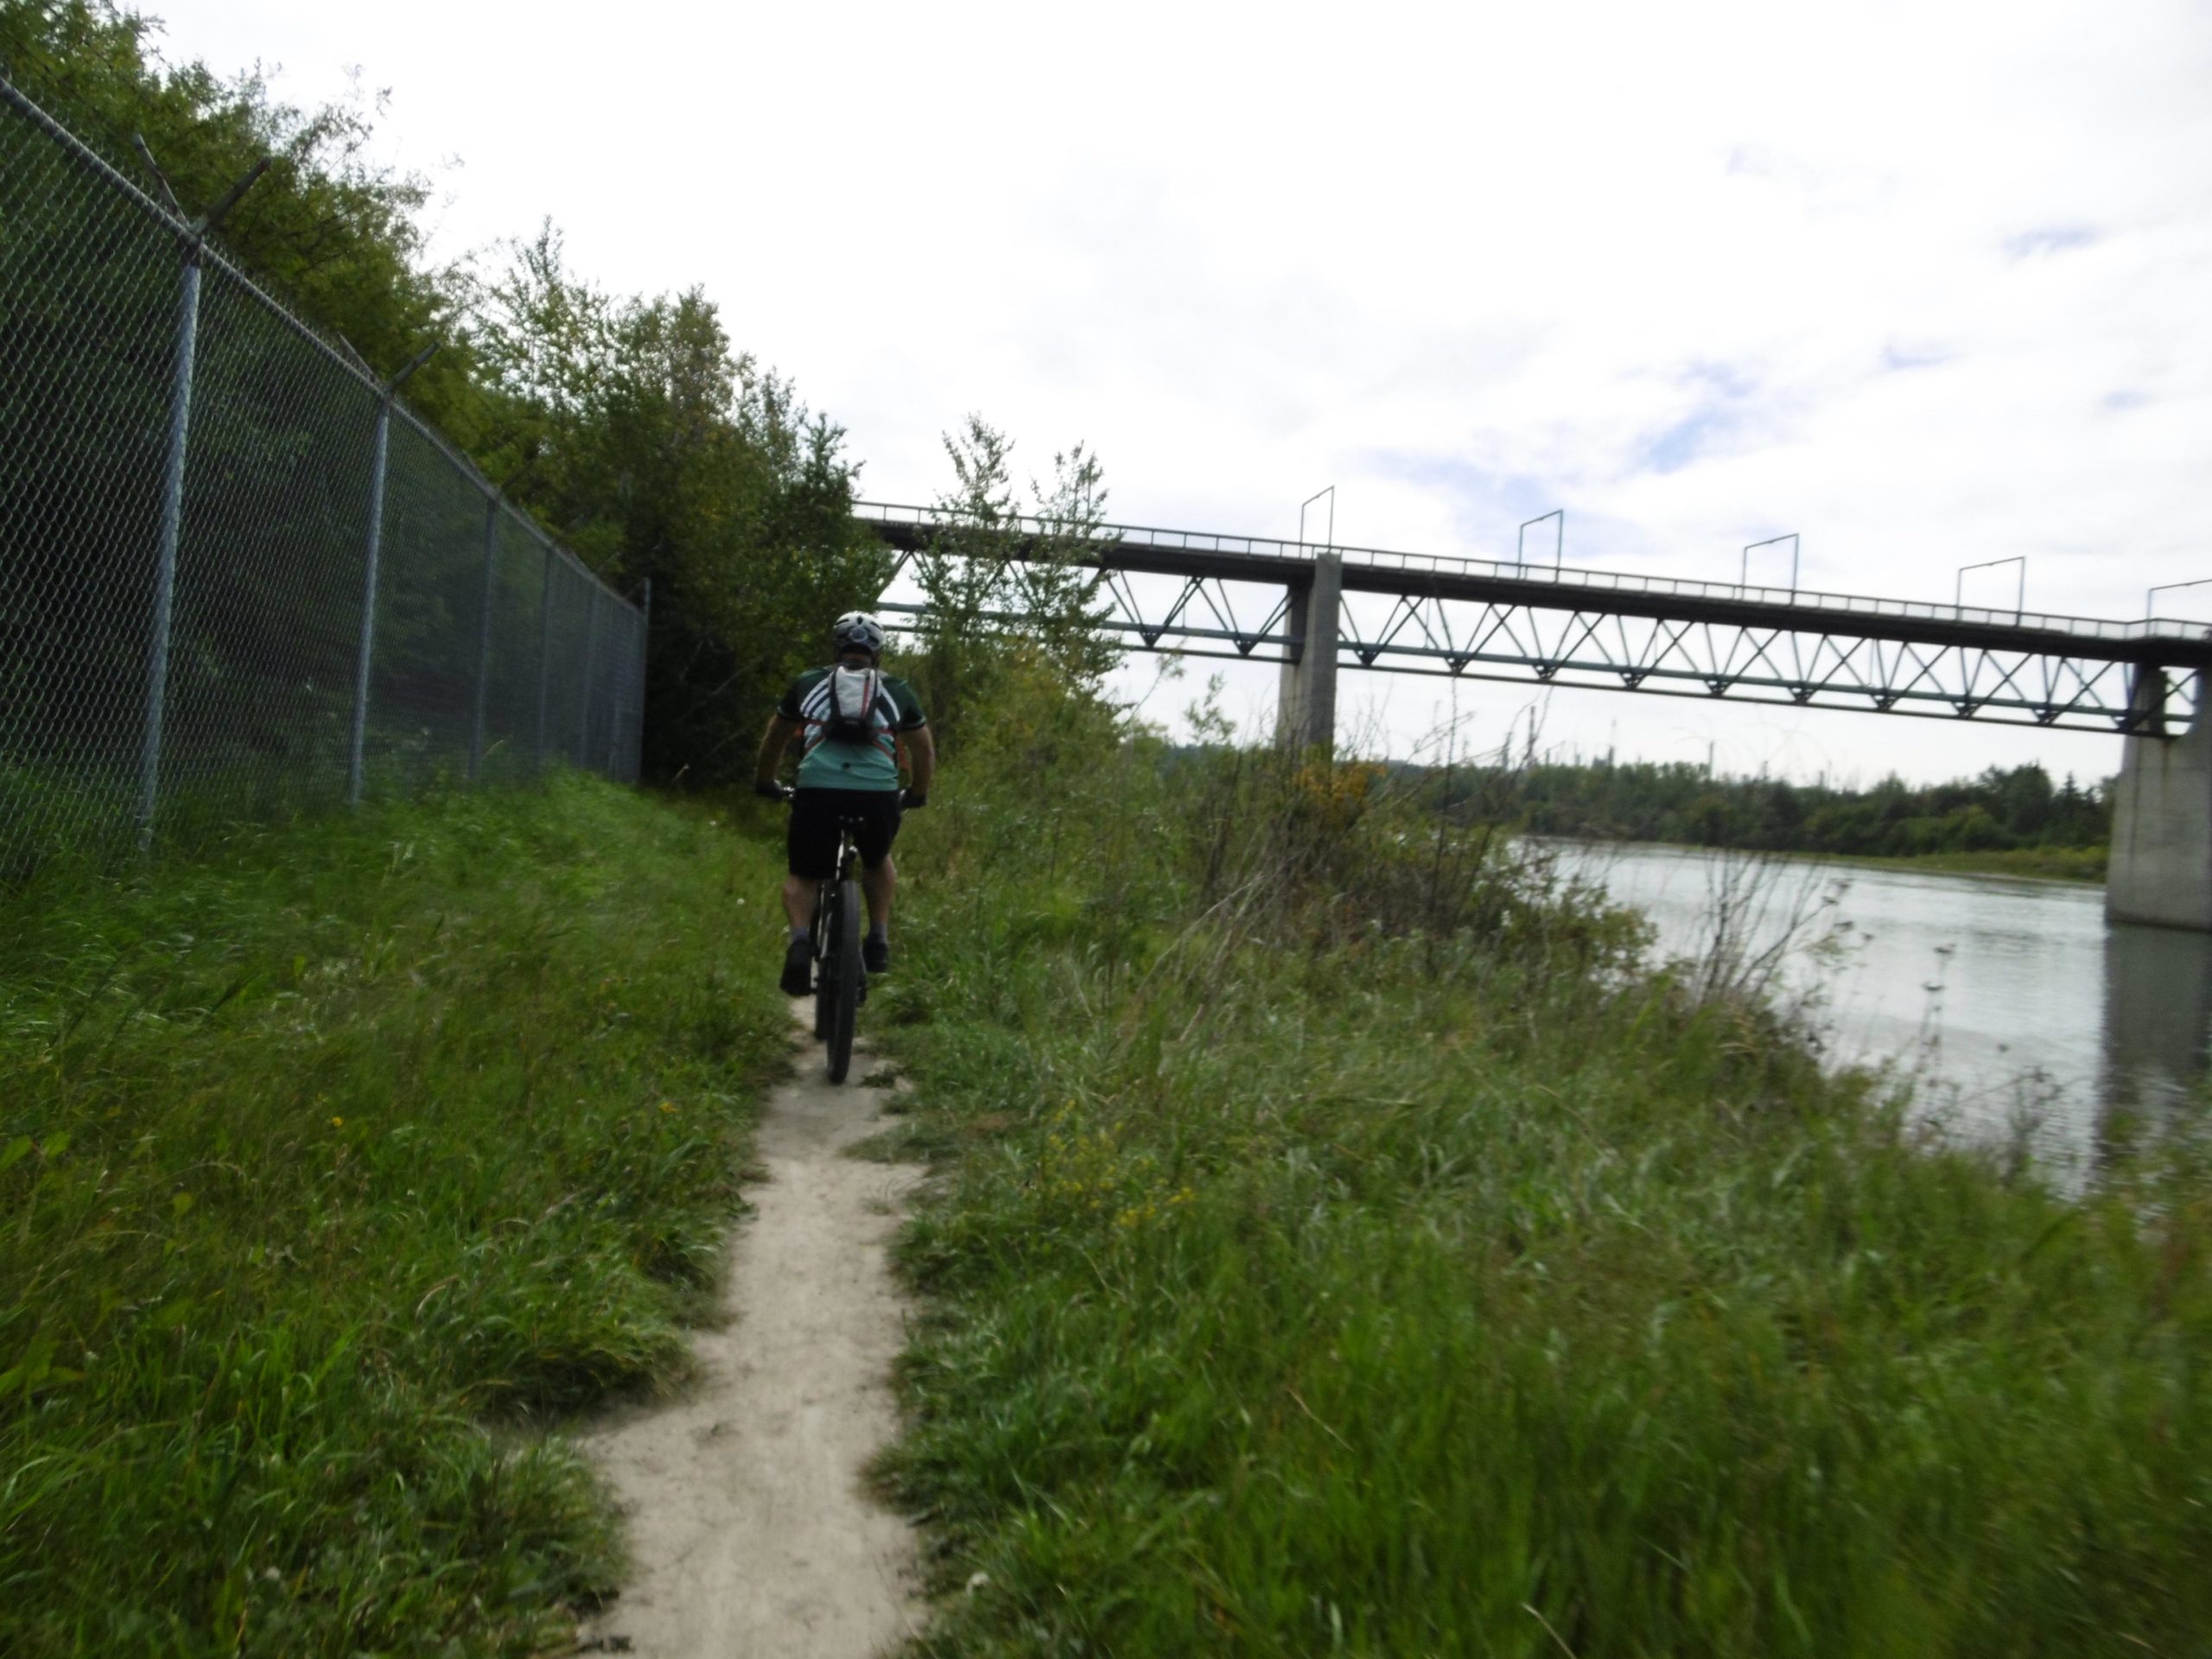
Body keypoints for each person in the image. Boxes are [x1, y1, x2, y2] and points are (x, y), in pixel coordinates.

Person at [753, 612, 934, 996]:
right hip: (878, 795)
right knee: (877, 857)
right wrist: (917, 793)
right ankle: (879, 939)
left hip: (817, 791)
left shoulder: (809, 682)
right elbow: (923, 749)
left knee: (804, 874)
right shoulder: (897, 689)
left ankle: (800, 943)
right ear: (878, 654)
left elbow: (776, 738)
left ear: (836, 649)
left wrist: (766, 781)